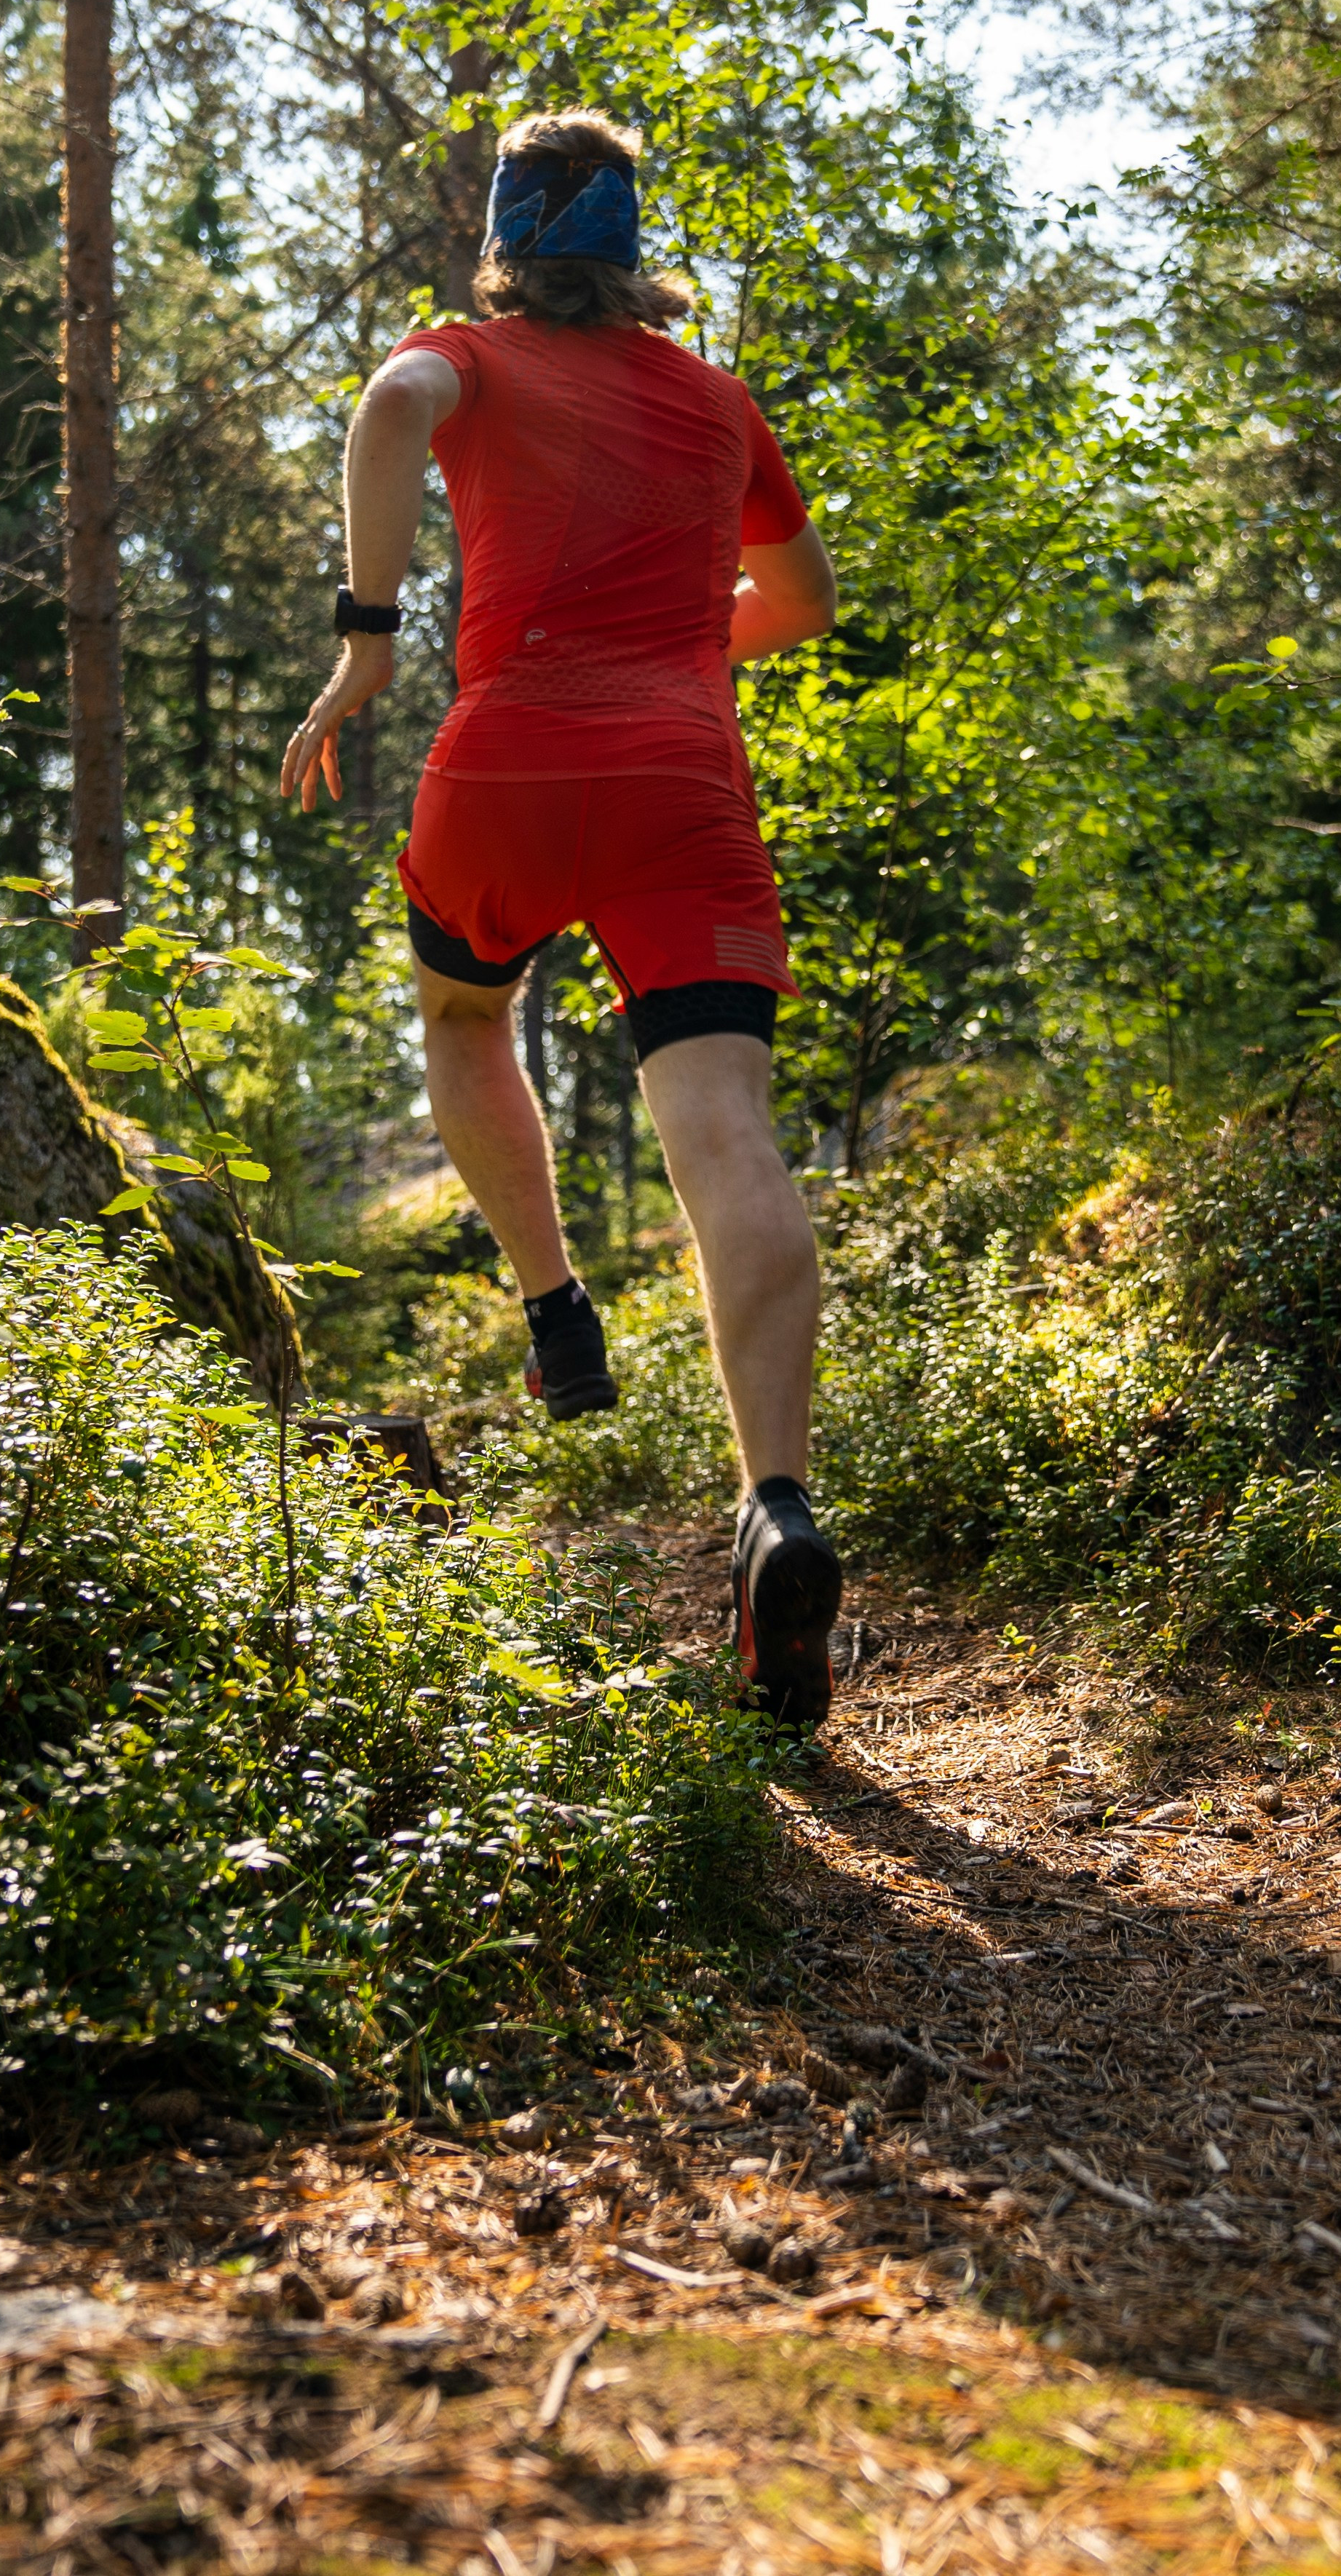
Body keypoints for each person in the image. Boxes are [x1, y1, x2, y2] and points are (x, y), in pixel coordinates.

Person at [279, 109, 846, 1725]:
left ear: (511, 242)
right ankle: (779, 1506)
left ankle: (554, 1306)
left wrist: (368, 641)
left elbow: (393, 402)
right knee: (726, 1125)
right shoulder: (720, 399)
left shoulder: (466, 351)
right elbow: (801, 603)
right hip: (683, 779)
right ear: (630, 249)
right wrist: (677, 654)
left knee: (468, 1016)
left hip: (508, 757)